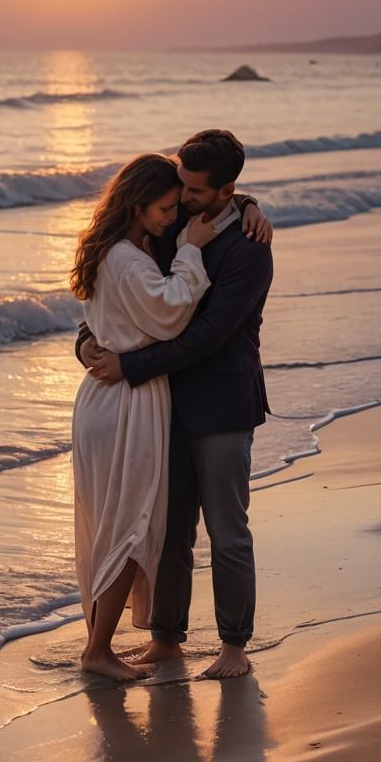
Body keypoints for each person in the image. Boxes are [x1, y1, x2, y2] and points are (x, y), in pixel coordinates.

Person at [78, 130, 273, 679]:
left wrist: (130, 366)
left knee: (228, 531)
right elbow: (124, 298)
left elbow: (206, 333)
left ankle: (234, 645)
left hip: (221, 404)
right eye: (178, 186)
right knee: (168, 531)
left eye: (193, 189)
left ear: (227, 189)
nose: (182, 197)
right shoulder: (172, 230)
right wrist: (87, 344)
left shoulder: (249, 249)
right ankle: (167, 637)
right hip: (162, 406)